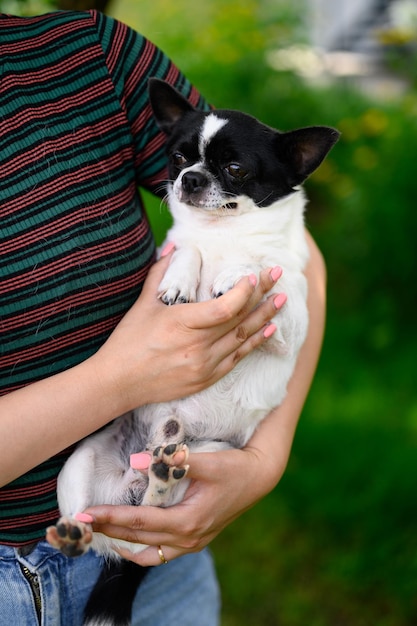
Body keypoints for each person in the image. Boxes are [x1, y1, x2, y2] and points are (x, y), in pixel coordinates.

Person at [0, 9, 326, 626]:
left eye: (221, 170)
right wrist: (124, 378)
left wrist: (262, 463)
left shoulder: (91, 54)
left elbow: (294, 250)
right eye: (182, 166)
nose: (191, 179)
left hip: (170, 553)